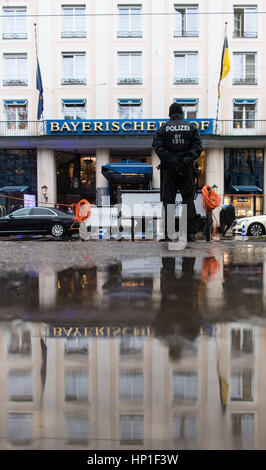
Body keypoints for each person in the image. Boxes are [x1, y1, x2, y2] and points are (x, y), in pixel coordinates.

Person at [152, 102, 202, 241]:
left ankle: (169, 234)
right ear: (182, 113)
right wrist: (185, 161)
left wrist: (173, 160)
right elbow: (197, 147)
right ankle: (190, 234)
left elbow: (158, 147)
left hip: (169, 169)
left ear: (170, 114)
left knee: (169, 201)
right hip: (186, 169)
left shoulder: (163, 128)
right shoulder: (191, 127)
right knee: (188, 200)